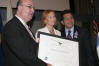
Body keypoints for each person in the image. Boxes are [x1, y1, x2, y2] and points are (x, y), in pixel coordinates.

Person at [2, 0, 52, 66]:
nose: (33, 10)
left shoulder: (25, 27)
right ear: (20, 8)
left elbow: (30, 49)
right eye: (29, 7)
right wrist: (45, 64)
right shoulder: (12, 26)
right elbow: (23, 53)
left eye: (33, 8)